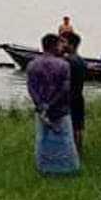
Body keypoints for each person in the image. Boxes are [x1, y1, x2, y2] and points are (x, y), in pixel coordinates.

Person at [26, 33, 80, 175]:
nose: (62, 47)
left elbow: (31, 87)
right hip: (60, 108)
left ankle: (44, 167)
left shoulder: (33, 64)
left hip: (41, 109)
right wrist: (51, 104)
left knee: (43, 138)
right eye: (60, 44)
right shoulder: (63, 65)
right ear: (54, 46)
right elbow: (65, 89)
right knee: (63, 139)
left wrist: (40, 104)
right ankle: (65, 168)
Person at [62, 31, 86, 156]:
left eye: (63, 42)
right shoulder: (81, 60)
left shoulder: (67, 61)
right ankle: (78, 153)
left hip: (69, 97)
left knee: (70, 127)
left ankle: (71, 154)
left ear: (71, 44)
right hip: (79, 96)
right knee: (78, 127)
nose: (61, 44)